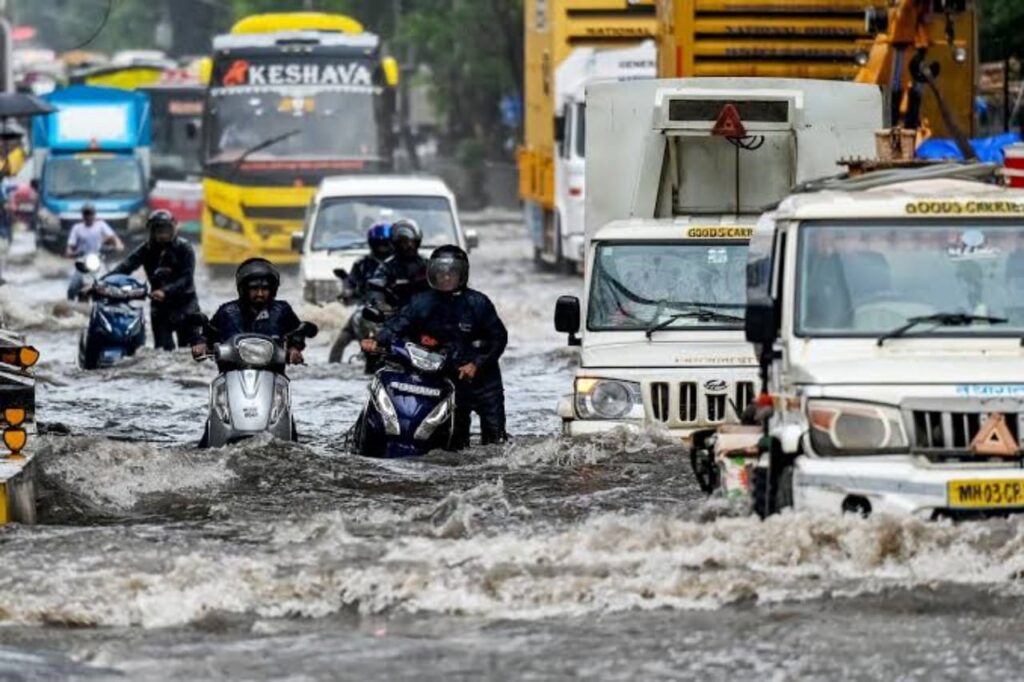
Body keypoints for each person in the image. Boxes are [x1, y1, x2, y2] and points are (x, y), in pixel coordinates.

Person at [362, 245, 508, 448]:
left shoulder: (478, 303)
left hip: (484, 382)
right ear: (432, 273)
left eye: (452, 273)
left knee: (495, 442)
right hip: (449, 381)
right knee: (455, 444)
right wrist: (376, 340)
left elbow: (499, 338)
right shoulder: (422, 302)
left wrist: (476, 364)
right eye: (441, 273)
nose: (446, 278)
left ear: (462, 275)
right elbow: (398, 324)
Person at [110, 210, 199, 350]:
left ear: (173, 229)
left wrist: (165, 291)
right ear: (152, 232)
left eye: (166, 230)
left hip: (186, 307)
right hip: (160, 308)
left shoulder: (185, 248)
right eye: (158, 230)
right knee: (162, 352)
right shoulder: (146, 249)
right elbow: (125, 266)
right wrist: (102, 283)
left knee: (189, 352)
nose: (163, 235)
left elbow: (186, 278)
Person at [192, 257, 305, 365]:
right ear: (244, 289)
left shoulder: (282, 311)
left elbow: (297, 332)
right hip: (231, 375)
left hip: (273, 376)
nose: (260, 294)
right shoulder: (227, 312)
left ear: (272, 290)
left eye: (265, 289)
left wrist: (294, 348)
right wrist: (201, 345)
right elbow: (208, 334)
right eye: (254, 288)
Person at [328, 222, 394, 363]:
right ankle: (333, 367)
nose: (382, 249)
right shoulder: (362, 264)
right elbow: (351, 285)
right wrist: (347, 292)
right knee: (340, 341)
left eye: (386, 244)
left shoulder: (400, 264)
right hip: (366, 309)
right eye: (379, 244)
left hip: (395, 311)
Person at [65, 203, 124, 300]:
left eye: (90, 214)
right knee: (72, 288)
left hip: (98, 259)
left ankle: (112, 302)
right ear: (83, 215)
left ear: (94, 215)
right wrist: (70, 252)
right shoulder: (77, 228)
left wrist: (118, 245)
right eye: (86, 214)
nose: (88, 216)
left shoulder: (101, 225)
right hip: (82, 260)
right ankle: (69, 306)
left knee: (109, 282)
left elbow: (113, 237)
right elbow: (70, 246)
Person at [370, 219, 428, 311]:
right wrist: (381, 306)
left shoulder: (427, 264)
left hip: (427, 314)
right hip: (397, 315)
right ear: (396, 244)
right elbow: (376, 289)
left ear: (417, 242)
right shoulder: (387, 267)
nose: (409, 245)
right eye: (404, 242)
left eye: (412, 241)